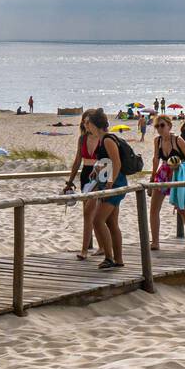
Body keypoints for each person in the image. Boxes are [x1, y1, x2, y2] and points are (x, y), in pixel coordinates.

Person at [83, 108, 126, 269]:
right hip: (111, 182)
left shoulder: (107, 139)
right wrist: (98, 169)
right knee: (111, 222)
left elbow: (117, 162)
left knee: (98, 219)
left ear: (95, 124)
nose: (87, 126)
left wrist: (110, 181)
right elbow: (107, 162)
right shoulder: (102, 140)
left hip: (116, 183)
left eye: (89, 123)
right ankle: (118, 259)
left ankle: (109, 257)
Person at [147, 114, 185, 249]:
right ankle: (155, 241)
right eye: (157, 126)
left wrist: (178, 166)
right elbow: (155, 159)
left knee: (182, 209)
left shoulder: (178, 140)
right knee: (154, 209)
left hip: (177, 174)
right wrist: (152, 178)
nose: (159, 128)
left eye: (162, 125)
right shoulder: (157, 141)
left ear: (169, 126)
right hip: (163, 173)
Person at [63, 115, 99, 260]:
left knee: (91, 213)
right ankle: (100, 247)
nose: (85, 125)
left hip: (99, 176)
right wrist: (70, 181)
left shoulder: (103, 138)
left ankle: (84, 250)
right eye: (83, 122)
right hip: (85, 175)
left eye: (87, 122)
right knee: (89, 213)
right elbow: (78, 160)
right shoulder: (82, 139)